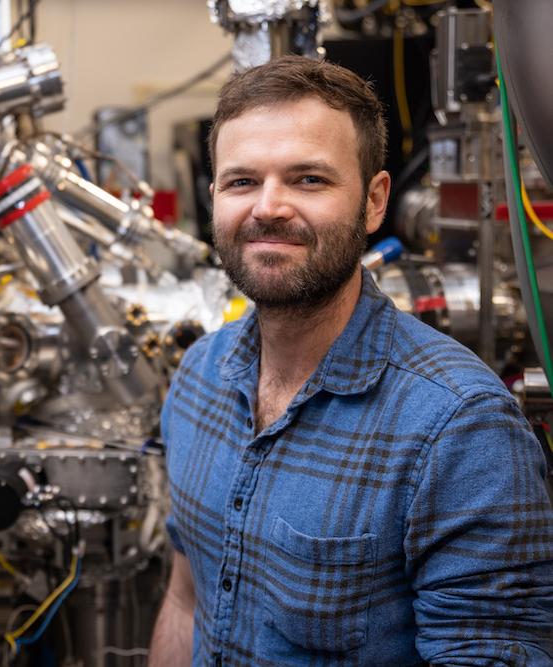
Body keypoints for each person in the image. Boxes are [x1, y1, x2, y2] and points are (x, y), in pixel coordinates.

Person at [148, 55, 553, 667]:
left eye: (308, 179)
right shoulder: (197, 379)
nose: (268, 207)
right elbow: (185, 602)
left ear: (373, 201)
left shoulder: (461, 427)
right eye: (242, 182)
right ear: (214, 200)